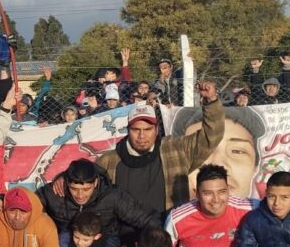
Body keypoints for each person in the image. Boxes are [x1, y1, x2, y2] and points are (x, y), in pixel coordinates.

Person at [95, 81, 222, 213]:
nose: (141, 135)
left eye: (147, 129)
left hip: (167, 229)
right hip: (125, 232)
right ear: (127, 130)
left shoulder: (176, 150)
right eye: (136, 129)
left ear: (156, 129)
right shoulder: (107, 162)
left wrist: (211, 102)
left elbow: (210, 136)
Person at [38, 158, 162, 247]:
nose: (80, 195)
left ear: (96, 182)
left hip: (105, 239)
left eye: (87, 189)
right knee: (61, 242)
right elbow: (28, 204)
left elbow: (146, 219)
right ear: (66, 183)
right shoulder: (55, 193)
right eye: (74, 189)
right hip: (70, 238)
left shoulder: (111, 196)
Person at [171, 105, 267, 200]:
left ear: (255, 167)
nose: (218, 163)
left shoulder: (259, 214)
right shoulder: (175, 215)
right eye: (200, 150)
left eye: (237, 151)